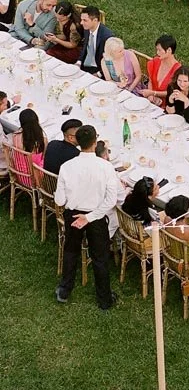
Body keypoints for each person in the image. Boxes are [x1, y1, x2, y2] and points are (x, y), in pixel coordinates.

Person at [53, 125, 119, 308]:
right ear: (95, 142)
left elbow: (59, 200)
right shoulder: (106, 167)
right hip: (96, 217)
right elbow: (111, 200)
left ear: (77, 142)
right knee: (100, 257)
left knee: (71, 251)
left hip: (74, 215)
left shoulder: (67, 167)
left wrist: (80, 212)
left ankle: (65, 290)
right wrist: (90, 217)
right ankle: (104, 299)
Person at [142, 35, 180, 106]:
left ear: (169, 50)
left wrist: (153, 93)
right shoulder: (155, 62)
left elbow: (173, 92)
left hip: (169, 105)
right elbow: (150, 81)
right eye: (157, 50)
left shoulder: (178, 70)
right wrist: (150, 95)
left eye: (159, 50)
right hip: (152, 101)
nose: (157, 53)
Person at [77, 6, 114, 75]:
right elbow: (85, 47)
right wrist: (78, 62)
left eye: (85, 20)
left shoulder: (107, 36)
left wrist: (99, 74)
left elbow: (111, 60)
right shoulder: (87, 29)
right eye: (81, 20)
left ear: (95, 20)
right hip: (85, 64)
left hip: (98, 68)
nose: (81, 23)